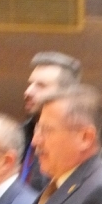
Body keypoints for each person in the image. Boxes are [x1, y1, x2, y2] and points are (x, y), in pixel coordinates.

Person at [21, 51, 81, 191]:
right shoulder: (19, 135)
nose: (28, 92)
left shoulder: (76, 146)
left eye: (41, 86)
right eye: (30, 84)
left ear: (66, 93)